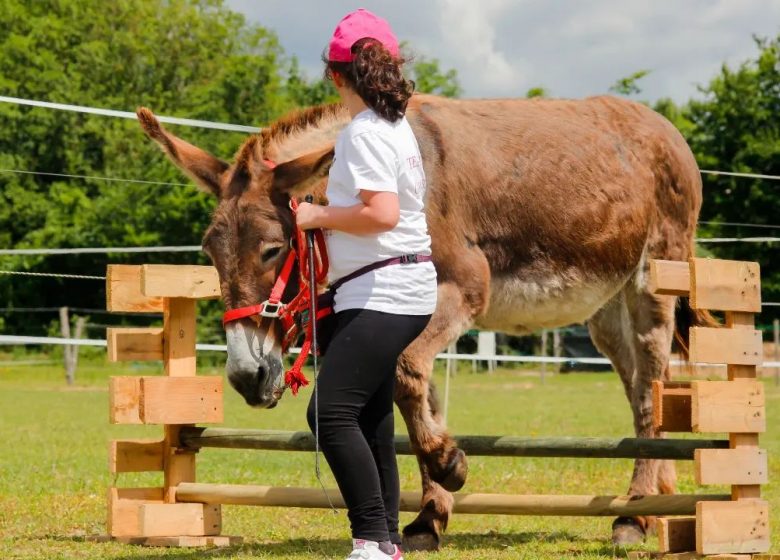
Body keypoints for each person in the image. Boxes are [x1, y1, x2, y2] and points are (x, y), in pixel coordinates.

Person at [295, 8, 437, 560]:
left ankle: (372, 541)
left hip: (385, 291)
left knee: (328, 414)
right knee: (368, 414)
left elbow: (381, 213)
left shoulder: (361, 133)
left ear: (335, 76)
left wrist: (316, 218)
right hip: (386, 287)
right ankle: (387, 541)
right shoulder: (395, 128)